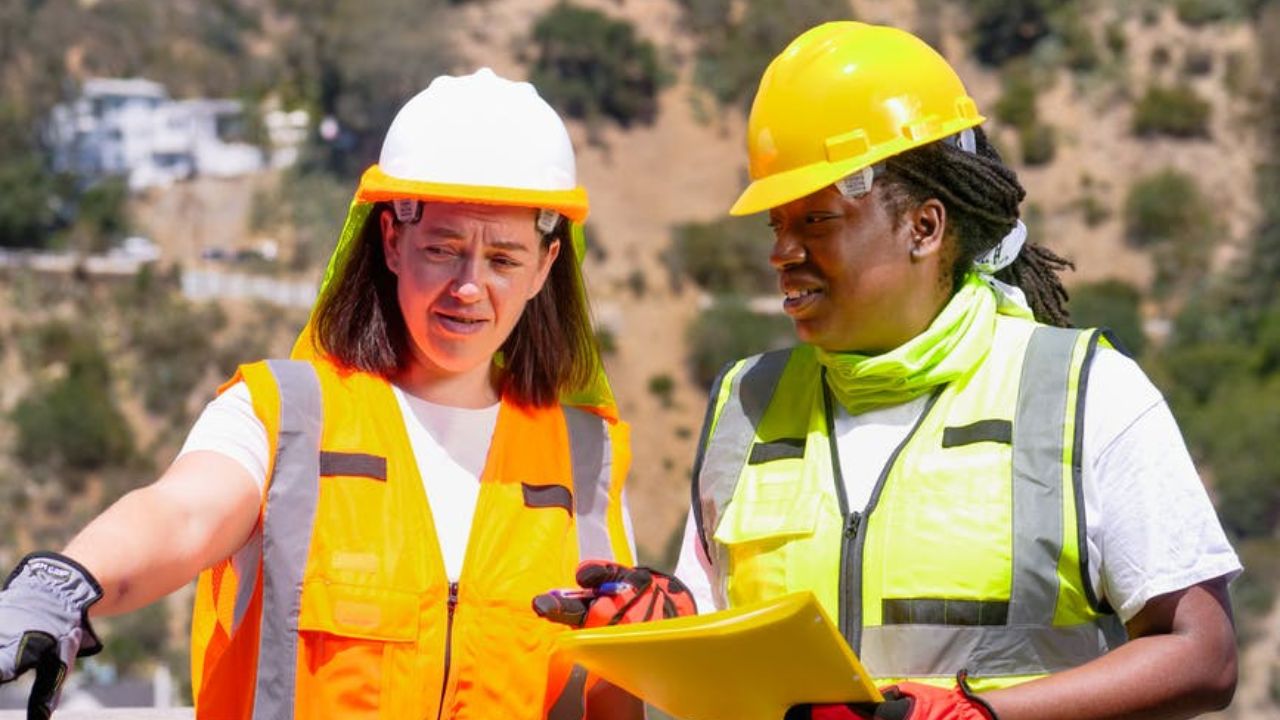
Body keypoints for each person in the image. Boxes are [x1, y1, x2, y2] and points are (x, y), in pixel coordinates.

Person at [0, 68, 672, 720]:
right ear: (391, 240)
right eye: (443, 248)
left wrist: (666, 646)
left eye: (503, 259)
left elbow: (608, 694)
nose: (470, 286)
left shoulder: (589, 460)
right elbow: (180, 516)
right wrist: (65, 581)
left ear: (545, 267)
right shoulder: (284, 416)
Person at [674, 22, 1241, 720]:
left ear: (925, 226)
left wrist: (985, 714)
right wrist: (651, 619)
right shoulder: (745, 405)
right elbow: (702, 648)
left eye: (815, 221)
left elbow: (1203, 656)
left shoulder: (1084, 396)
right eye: (776, 226)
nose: (782, 252)